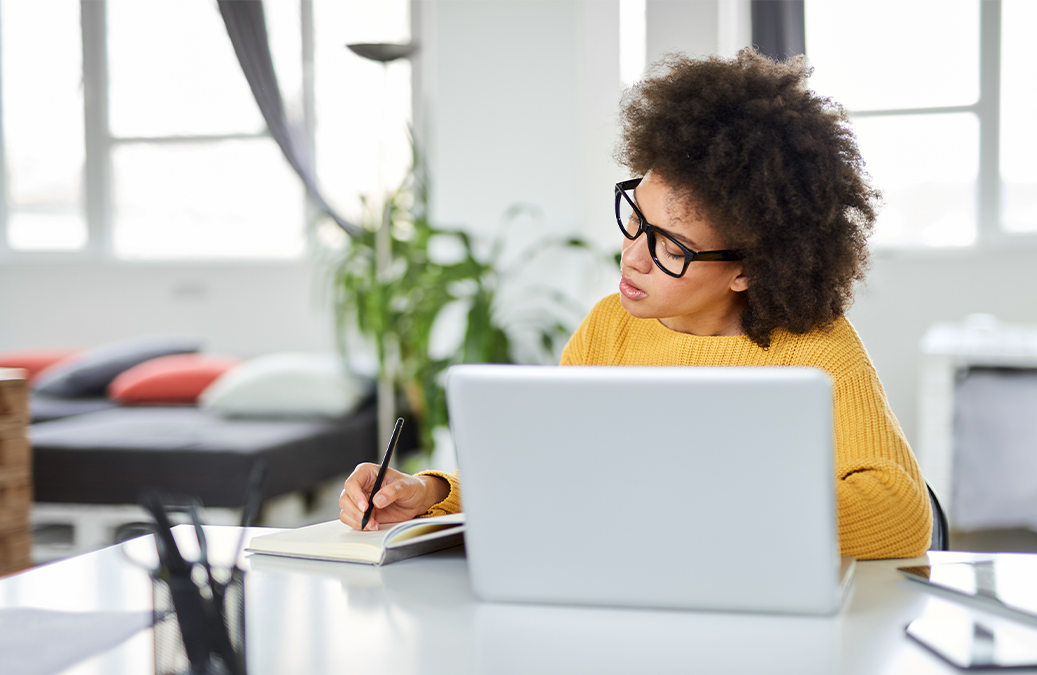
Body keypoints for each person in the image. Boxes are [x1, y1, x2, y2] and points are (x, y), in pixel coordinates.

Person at [339, 49, 932, 560]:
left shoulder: (815, 347)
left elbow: (903, 514)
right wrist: (426, 493)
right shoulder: (609, 327)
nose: (633, 257)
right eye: (635, 219)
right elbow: (544, 475)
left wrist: (715, 514)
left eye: (671, 246)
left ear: (749, 269)